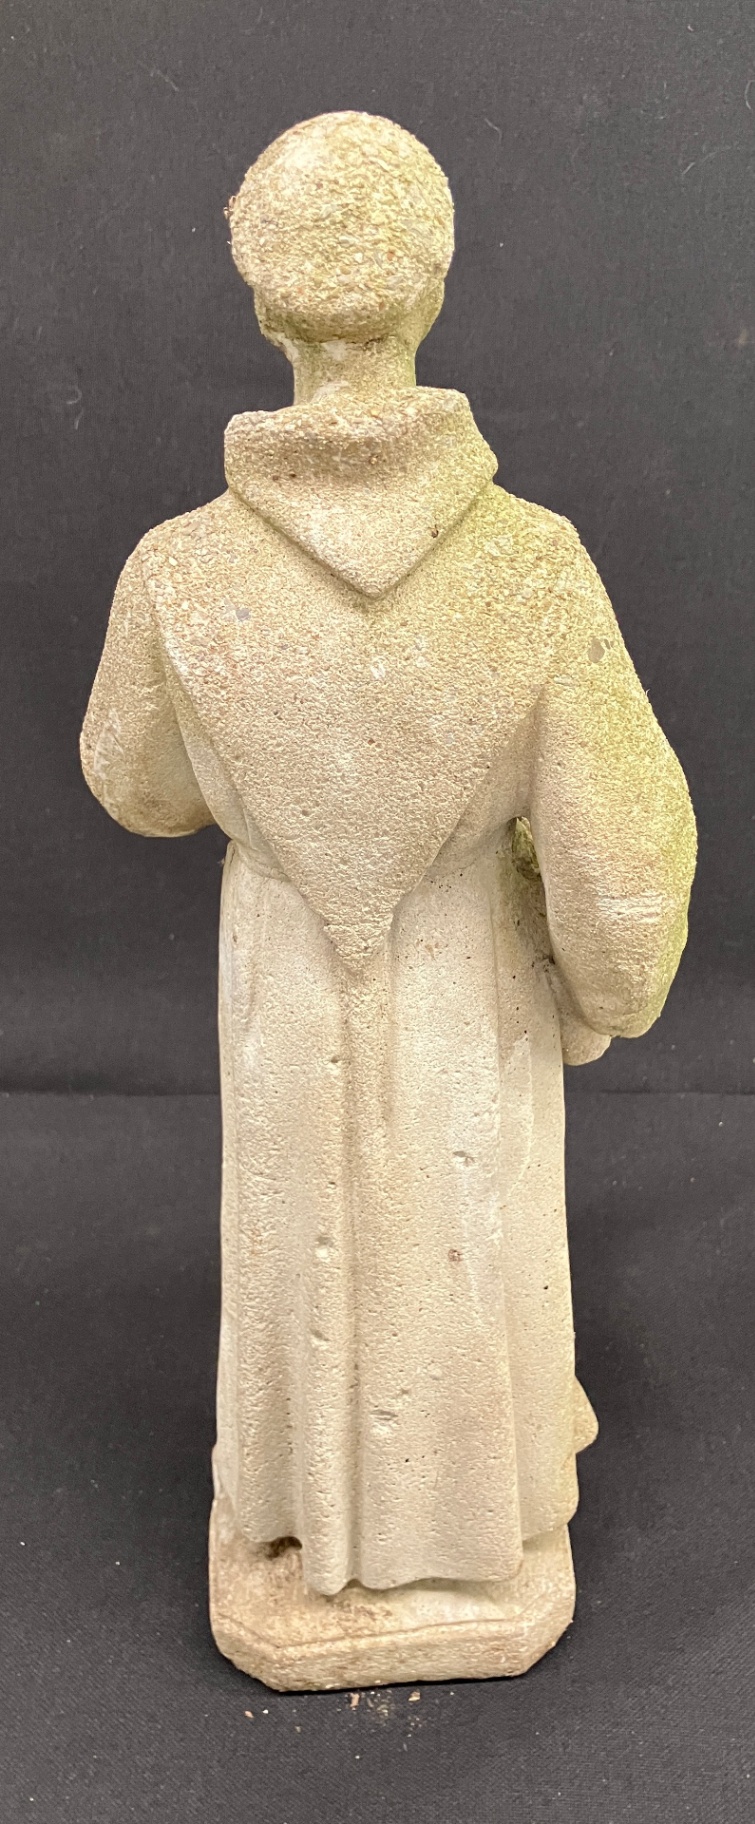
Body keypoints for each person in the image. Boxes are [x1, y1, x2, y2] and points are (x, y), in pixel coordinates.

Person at [81, 111, 696, 1684]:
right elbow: (628, 867)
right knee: (463, 1224)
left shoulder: (178, 572)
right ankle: (475, 1527)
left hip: (287, 979)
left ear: (267, 303)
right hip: (463, 982)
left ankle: (298, 1523)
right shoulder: (534, 568)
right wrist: (605, 992)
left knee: (301, 1237)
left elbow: (132, 782)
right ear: (431, 287)